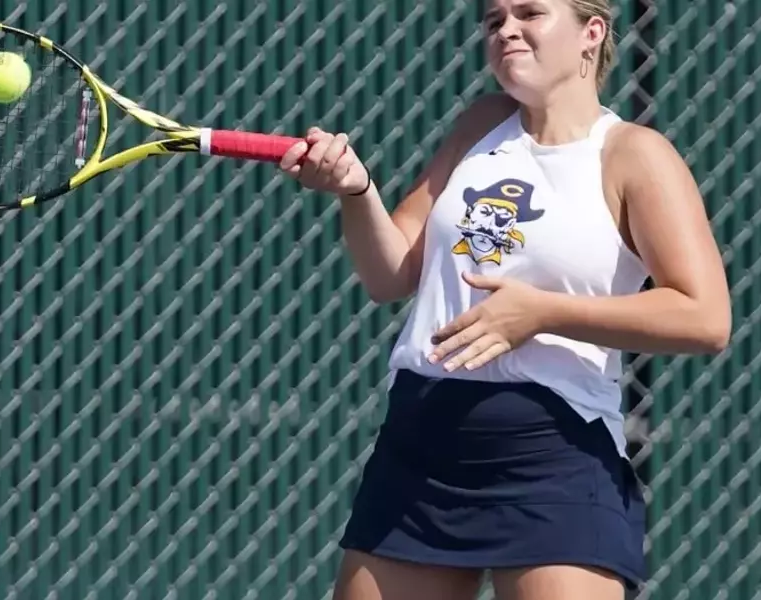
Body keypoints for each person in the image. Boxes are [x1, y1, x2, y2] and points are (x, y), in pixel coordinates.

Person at [278, 0, 732, 598]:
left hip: (553, 456)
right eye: (494, 20)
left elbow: (704, 316)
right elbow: (390, 275)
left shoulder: (634, 155)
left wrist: (544, 313)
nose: (506, 30)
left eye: (530, 14)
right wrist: (356, 190)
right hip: (422, 445)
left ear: (590, 33)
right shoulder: (481, 125)